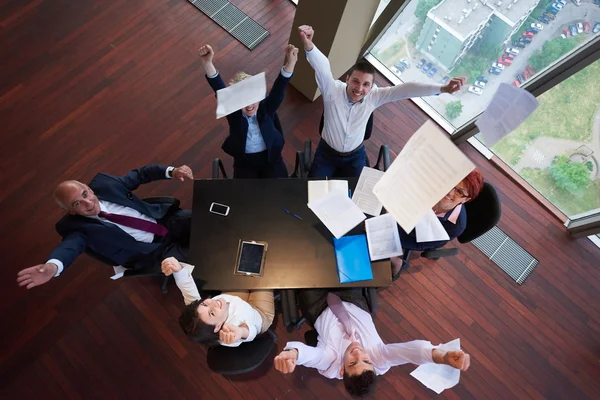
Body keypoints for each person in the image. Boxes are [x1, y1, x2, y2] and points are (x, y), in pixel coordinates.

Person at [297, 25, 466, 178]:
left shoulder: (374, 96)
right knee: (312, 191)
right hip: (327, 153)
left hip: (355, 156)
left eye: (366, 84)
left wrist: (443, 88)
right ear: (347, 79)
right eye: (355, 81)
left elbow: (405, 89)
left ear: (372, 86)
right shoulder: (332, 90)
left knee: (361, 199)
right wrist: (309, 45)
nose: (359, 89)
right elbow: (322, 66)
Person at [16, 164, 194, 289]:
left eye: (85, 194)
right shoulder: (77, 229)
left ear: (89, 188)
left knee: (208, 219)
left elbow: (141, 174)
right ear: (70, 211)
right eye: (77, 203)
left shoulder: (106, 185)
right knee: (200, 255)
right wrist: (53, 267)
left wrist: (172, 171)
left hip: (165, 221)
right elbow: (69, 247)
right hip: (154, 251)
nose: (88, 202)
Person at [273, 289, 470, 398]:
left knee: (307, 267)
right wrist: (441, 356)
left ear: (342, 370)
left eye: (352, 363)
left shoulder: (330, 363)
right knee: (343, 248)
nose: (359, 354)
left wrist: (293, 354)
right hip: (353, 298)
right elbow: (411, 353)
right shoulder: (379, 358)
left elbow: (309, 356)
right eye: (366, 361)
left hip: (318, 305)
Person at [199, 43, 299, 178]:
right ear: (236, 102)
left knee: (279, 191)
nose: (249, 106)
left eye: (252, 99)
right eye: (243, 101)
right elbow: (219, 89)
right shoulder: (234, 113)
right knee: (244, 196)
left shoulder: (266, 107)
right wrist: (207, 63)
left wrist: (290, 63)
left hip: (271, 159)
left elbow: (279, 87)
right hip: (245, 163)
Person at [391, 169, 484, 279]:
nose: (449, 192)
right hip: (398, 215)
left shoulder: (455, 226)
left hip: (409, 235)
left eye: (459, 192)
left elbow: (420, 244)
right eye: (451, 184)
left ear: (465, 199)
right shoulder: (432, 186)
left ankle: (396, 263)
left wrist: (390, 238)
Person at [162, 258, 275, 347]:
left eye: (204, 304)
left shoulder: (199, 313)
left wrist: (178, 270)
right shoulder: (229, 335)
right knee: (265, 277)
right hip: (260, 313)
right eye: (212, 313)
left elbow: (187, 289)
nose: (213, 303)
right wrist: (241, 332)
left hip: (233, 299)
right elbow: (252, 332)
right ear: (218, 327)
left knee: (243, 267)